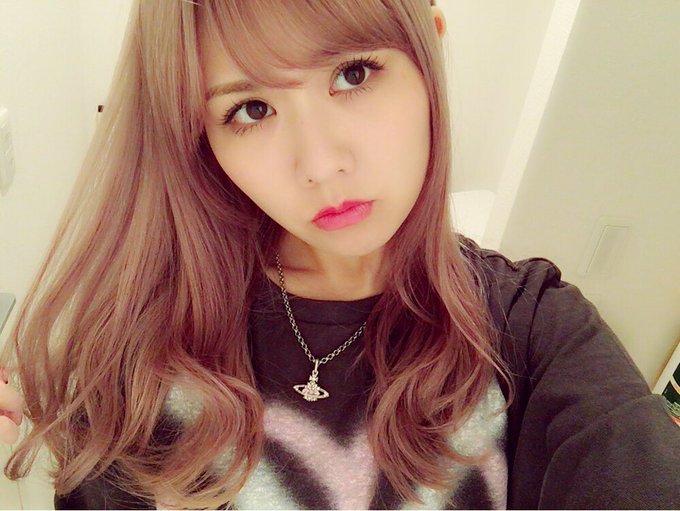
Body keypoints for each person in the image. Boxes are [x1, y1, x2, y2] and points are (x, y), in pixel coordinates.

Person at [1, 0, 679, 509]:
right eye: (251, 110)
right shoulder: (141, 350)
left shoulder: (534, 329)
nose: (321, 163)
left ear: (429, 54)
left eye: (353, 74)